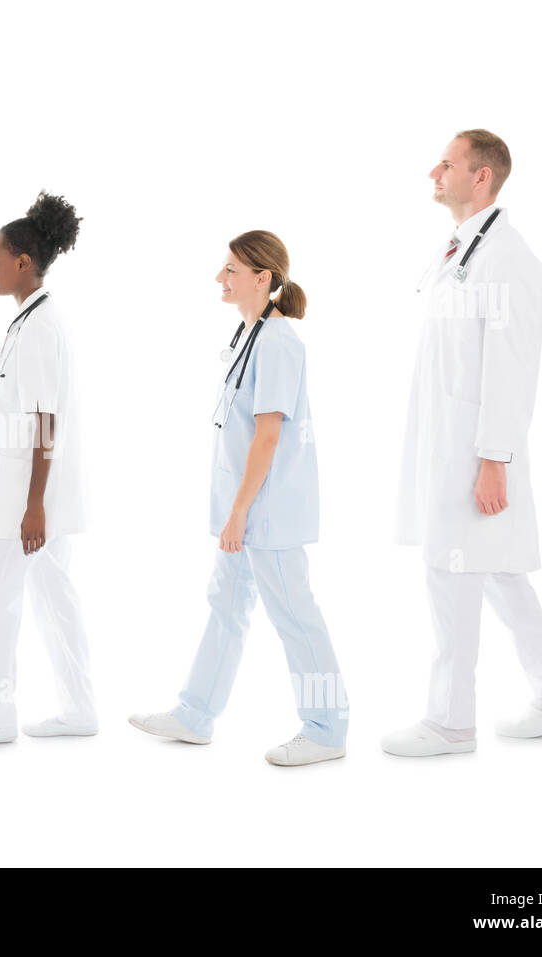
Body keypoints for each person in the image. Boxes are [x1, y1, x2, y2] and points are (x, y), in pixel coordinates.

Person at [382, 130, 542, 757]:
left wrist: (494, 458)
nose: (432, 171)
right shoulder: (462, 252)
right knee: (498, 571)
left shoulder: (509, 260)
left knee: (452, 572)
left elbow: (511, 367)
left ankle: (449, 722)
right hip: (449, 447)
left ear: (481, 178)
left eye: (446, 163)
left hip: (473, 455)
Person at [129, 231, 348, 766]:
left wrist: (239, 512)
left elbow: (268, 436)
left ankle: (327, 729)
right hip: (245, 507)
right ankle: (195, 714)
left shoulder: (277, 342)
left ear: (262, 278)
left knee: (296, 616)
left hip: (267, 512)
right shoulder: (247, 334)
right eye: (223, 268)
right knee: (226, 605)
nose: (220, 278)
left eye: (231, 270)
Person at [0, 192, 98, 746]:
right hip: (27, 493)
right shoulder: (31, 320)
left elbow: (44, 421)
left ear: (23, 262)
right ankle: (79, 708)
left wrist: (33, 505)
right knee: (54, 595)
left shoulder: (39, 327)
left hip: (28, 500)